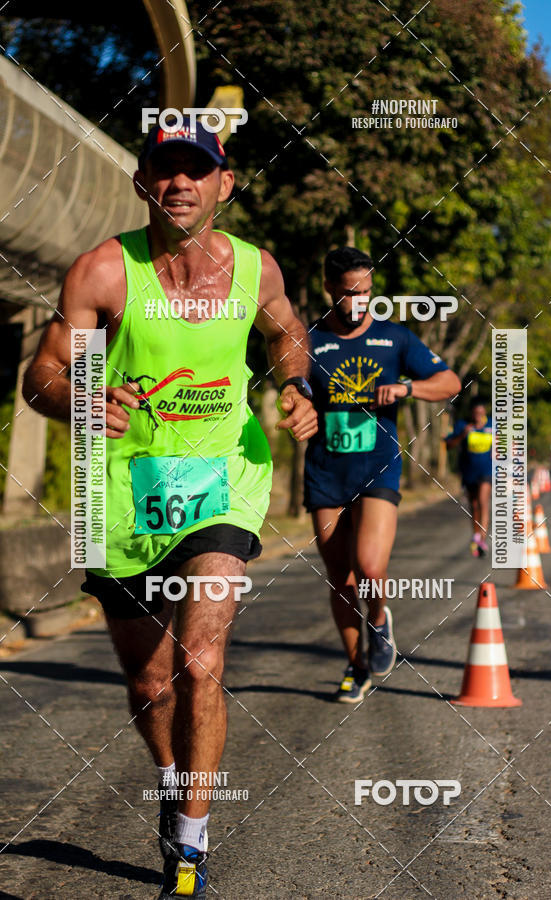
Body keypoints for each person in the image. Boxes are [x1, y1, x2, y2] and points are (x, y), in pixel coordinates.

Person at [23, 116, 317, 899]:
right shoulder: (104, 272)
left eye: (199, 169)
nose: (181, 182)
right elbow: (42, 375)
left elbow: (289, 336)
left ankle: (190, 841)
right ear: (143, 182)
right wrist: (85, 397)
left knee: (199, 661)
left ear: (224, 183)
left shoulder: (256, 271)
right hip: (116, 492)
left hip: (223, 478)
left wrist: (293, 383)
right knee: (151, 684)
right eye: (166, 169)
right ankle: (170, 782)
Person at [304, 247, 461, 702]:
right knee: (341, 579)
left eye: (367, 292)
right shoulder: (310, 341)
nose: (359, 302)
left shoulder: (395, 338)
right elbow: (292, 389)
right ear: (330, 289)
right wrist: (297, 407)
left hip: (378, 468)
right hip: (326, 472)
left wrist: (408, 387)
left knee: (371, 568)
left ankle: (378, 620)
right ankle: (357, 667)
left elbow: (449, 382)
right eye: (350, 293)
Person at [445, 397, 493, 557]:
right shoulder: (462, 425)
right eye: (476, 413)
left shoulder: (492, 425)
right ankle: (476, 535)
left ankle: (482, 540)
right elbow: (448, 445)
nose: (479, 416)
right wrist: (462, 435)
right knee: (474, 504)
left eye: (481, 413)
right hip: (468, 471)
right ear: (471, 414)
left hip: (487, 470)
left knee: (483, 501)